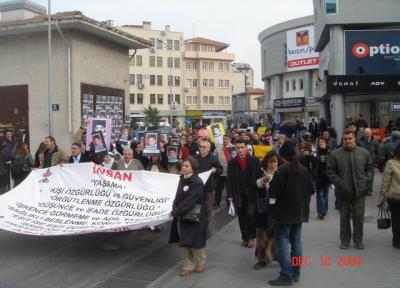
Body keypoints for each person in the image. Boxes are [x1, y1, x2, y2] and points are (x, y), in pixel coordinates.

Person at [267, 141, 314, 286]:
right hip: (299, 212)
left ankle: (286, 275)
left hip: (283, 214)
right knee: (296, 242)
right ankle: (296, 272)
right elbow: (311, 190)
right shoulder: (304, 170)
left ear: (282, 157)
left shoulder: (281, 171)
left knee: (282, 244)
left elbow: (273, 193)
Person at [327, 129, 374, 249]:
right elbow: (330, 171)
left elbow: (370, 169)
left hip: (359, 192)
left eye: (350, 138)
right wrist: (339, 183)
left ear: (354, 139)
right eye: (345, 139)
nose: (348, 141)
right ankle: (345, 240)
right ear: (343, 140)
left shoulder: (363, 153)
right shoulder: (336, 154)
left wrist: (367, 182)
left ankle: (358, 240)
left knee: (358, 218)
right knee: (344, 218)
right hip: (343, 192)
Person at [169, 157, 208, 276]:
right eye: (183, 166)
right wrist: (174, 208)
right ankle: (188, 265)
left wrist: (176, 212)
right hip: (182, 215)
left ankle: (200, 261)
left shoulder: (197, 182)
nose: (184, 168)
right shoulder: (182, 179)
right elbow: (178, 197)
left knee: (195, 242)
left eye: (187, 166)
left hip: (195, 216)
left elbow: (190, 201)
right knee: (184, 241)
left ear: (193, 169)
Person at [226, 139, 260, 248]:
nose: (240, 150)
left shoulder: (254, 160)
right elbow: (229, 180)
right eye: (238, 148)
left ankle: (251, 237)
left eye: (242, 147)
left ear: (246, 148)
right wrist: (230, 195)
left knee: (251, 215)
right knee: (241, 217)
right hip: (238, 193)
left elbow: (258, 176)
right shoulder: (232, 162)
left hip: (252, 193)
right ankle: (245, 237)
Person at [253, 150, 279, 270]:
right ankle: (262, 259)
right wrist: (262, 182)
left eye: (275, 162)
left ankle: (274, 255)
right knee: (262, 235)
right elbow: (252, 186)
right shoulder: (260, 172)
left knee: (275, 234)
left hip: (276, 209)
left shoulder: (280, 174)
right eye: (271, 162)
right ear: (266, 162)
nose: (273, 164)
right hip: (262, 209)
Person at [379, 143, 400, 249]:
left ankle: (397, 241)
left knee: (396, 219)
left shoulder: (390, 163)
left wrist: (382, 197)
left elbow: (386, 182)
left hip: (395, 197)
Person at [195, 141, 222, 221]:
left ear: (209, 149)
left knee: (208, 205)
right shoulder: (196, 157)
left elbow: (220, 169)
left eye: (204, 147)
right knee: (197, 204)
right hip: (196, 186)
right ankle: (196, 219)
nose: (202, 148)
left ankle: (206, 221)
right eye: (200, 146)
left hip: (208, 186)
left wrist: (215, 170)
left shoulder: (213, 158)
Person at [213, 134, 235, 207]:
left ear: (230, 139)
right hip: (220, 172)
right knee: (218, 188)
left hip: (229, 172)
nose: (225, 140)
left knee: (229, 188)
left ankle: (229, 202)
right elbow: (214, 157)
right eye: (224, 138)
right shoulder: (218, 147)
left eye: (226, 138)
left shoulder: (233, 148)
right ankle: (217, 201)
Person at [312, 138, 331, 219]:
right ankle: (320, 211)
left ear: (326, 143)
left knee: (325, 194)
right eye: (319, 142)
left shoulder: (330, 152)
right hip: (318, 176)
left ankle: (324, 210)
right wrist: (313, 154)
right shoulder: (316, 152)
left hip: (327, 176)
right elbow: (312, 164)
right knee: (319, 194)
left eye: (322, 142)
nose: (321, 143)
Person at [358, 128, 380, 196]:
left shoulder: (375, 141)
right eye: (366, 133)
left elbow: (378, 152)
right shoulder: (359, 141)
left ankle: (369, 190)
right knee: (362, 176)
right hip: (361, 162)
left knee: (370, 177)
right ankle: (362, 189)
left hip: (371, 162)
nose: (367, 135)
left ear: (371, 133)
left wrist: (376, 161)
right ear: (363, 133)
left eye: (369, 133)